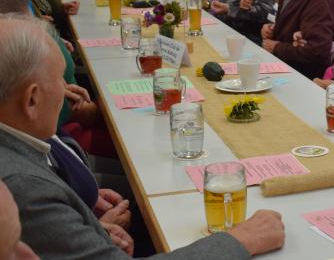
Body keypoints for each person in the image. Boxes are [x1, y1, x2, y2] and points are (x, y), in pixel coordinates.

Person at [0, 16, 286, 259]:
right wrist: (241, 240)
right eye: (62, 79)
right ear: (32, 100)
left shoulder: (17, 141)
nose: (67, 89)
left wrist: (85, 224)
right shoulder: (23, 188)